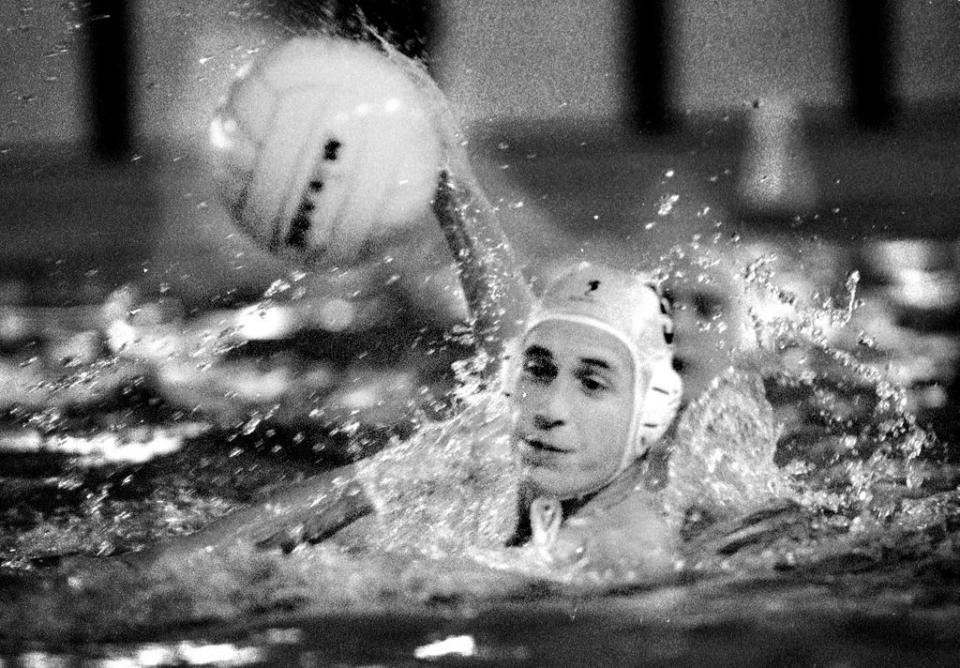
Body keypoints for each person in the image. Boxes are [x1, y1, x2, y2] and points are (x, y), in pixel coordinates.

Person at [138, 163, 683, 577]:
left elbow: (414, 583)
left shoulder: (623, 547)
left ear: (650, 411)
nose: (549, 410)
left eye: (592, 382)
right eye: (540, 373)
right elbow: (258, 527)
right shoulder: (502, 446)